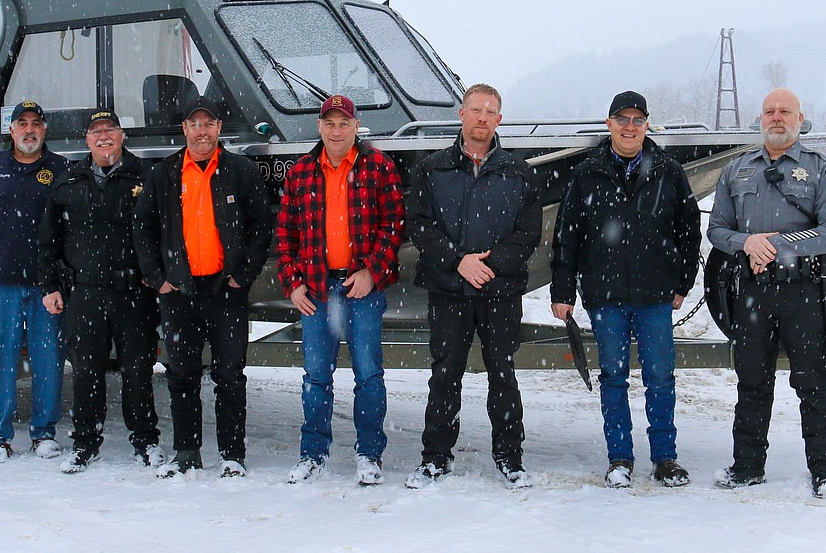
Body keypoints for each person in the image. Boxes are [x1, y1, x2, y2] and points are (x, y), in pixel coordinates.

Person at [550, 91, 702, 489]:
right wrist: (562, 290)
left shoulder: (668, 171)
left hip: (655, 296)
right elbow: (567, 236)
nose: (630, 127)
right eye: (622, 119)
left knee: (660, 378)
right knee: (613, 378)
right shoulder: (587, 173)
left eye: (638, 120)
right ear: (609, 124)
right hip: (606, 295)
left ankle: (665, 458)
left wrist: (682, 281)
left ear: (647, 125)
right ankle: (620, 458)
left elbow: (689, 231)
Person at [708, 88, 826, 499]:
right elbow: (717, 229)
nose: (776, 117)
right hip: (752, 293)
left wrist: (779, 244)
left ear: (800, 118)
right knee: (751, 383)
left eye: (785, 111)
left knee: (814, 384)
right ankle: (747, 467)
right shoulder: (737, 171)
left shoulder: (820, 171)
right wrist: (746, 243)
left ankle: (824, 471)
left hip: (803, 292)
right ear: (761, 118)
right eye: (769, 111)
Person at [405, 83, 542, 489]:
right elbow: (420, 226)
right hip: (448, 289)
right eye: (475, 109)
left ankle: (510, 457)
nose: (482, 117)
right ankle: (435, 457)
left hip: (500, 292)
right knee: (445, 375)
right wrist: (457, 261)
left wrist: (491, 265)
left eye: (490, 111)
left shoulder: (520, 173)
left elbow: (527, 232)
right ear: (461, 115)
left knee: (503, 374)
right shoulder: (431, 169)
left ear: (499, 120)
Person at [134, 96, 273, 479]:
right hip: (179, 292)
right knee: (182, 374)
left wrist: (242, 276)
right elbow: (142, 228)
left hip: (225, 291)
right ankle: (187, 451)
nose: (201, 131)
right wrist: (157, 279)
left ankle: (232, 454)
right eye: (194, 124)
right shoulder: (164, 173)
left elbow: (261, 227)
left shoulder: (240, 171)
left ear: (218, 128)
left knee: (230, 375)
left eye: (208, 124)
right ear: (185, 130)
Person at [276, 94, 404, 485]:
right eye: (329, 123)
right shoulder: (300, 173)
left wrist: (371, 270)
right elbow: (284, 235)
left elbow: (394, 225)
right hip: (315, 289)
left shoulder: (378, 167)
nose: (336, 130)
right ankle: (313, 454)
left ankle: (369, 454)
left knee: (368, 374)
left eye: (343, 123)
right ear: (319, 126)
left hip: (361, 286)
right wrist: (292, 283)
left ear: (355, 126)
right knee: (316, 376)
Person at [38, 108, 163, 473]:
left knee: (138, 371)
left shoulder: (147, 176)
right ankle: (84, 443)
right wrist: (49, 286)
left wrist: (156, 277)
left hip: (133, 293)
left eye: (110, 130)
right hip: (85, 293)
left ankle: (145, 441)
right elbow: (47, 241)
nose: (104, 136)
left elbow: (166, 230)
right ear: (87, 140)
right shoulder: (68, 181)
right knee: (86, 371)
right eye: (96, 132)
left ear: (122, 136)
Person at [0, 100, 69, 463]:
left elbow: (72, 230)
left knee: (48, 361)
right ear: (11, 130)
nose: (29, 130)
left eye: (35, 123)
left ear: (44, 129)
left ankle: (43, 433)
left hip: (45, 288)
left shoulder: (61, 170)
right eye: (21, 123)